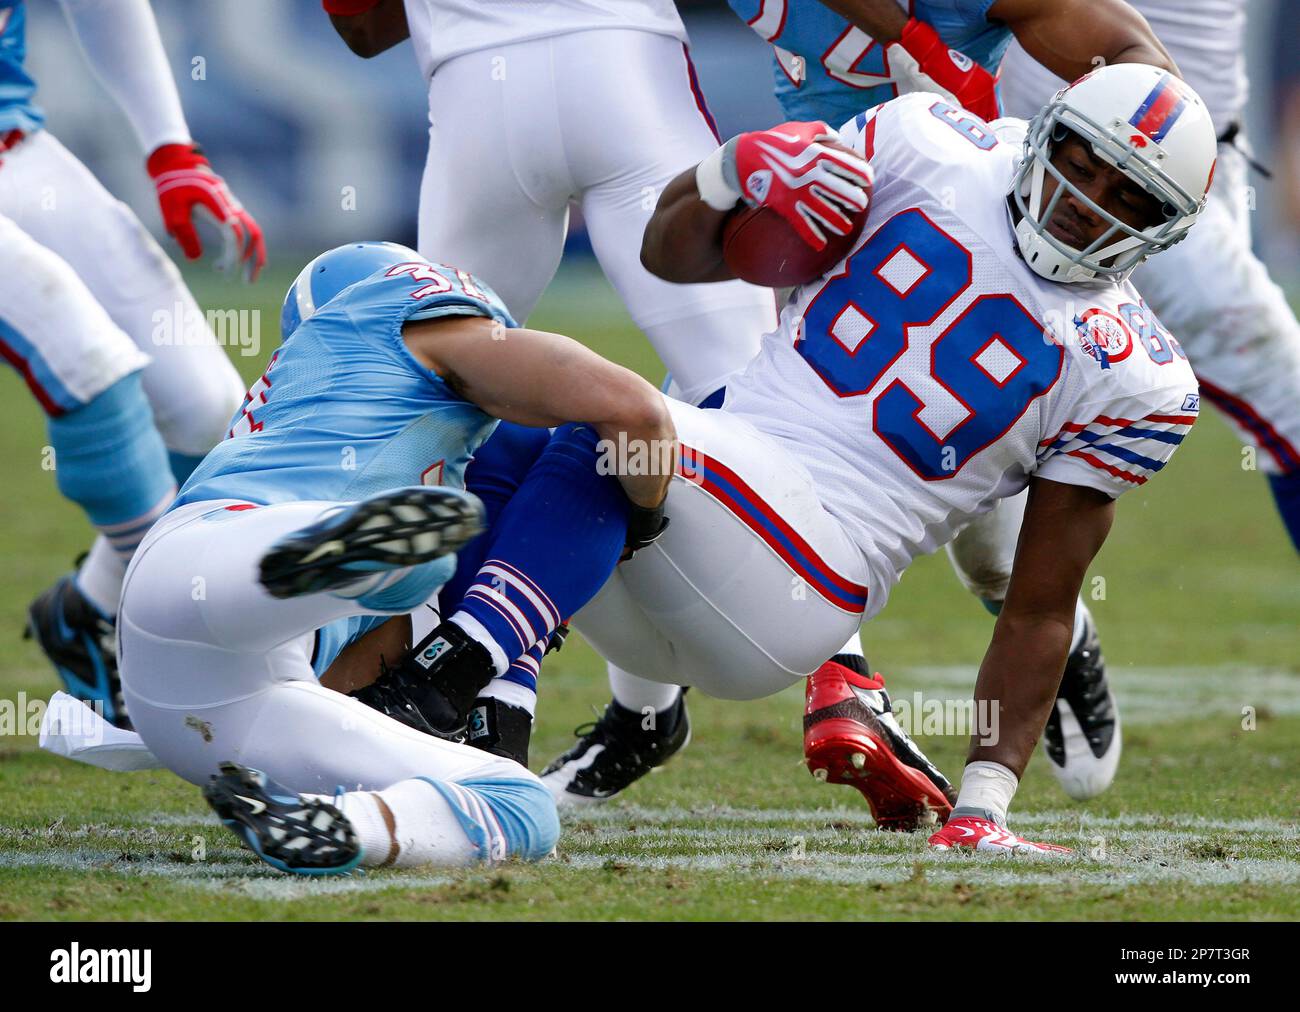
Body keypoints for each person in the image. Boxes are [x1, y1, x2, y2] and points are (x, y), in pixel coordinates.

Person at [421, 63, 1216, 852]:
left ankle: (441, 679)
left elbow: (1041, 608)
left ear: (1165, 227)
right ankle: (492, 736)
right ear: (1050, 135)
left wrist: (986, 803)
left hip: (807, 580)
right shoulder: (921, 142)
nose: (1087, 203)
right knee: (498, 430)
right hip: (688, 546)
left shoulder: (1137, 376)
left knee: (617, 419)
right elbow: (671, 260)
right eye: (1082, 167)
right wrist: (729, 172)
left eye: (1128, 198)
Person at [322, 0, 780, 803]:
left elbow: (360, 30)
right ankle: (843, 684)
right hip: (625, 69)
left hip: (477, 91)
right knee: (732, 398)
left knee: (449, 408)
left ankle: (486, 703)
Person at [116, 241, 675, 873]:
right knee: (416, 557)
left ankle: (351, 828)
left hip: (204, 684)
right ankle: (354, 554)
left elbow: (360, 696)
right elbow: (635, 412)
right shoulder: (400, 316)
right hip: (227, 587)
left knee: (520, 805)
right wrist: (645, 515)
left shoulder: (334, 411)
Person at [1, 0, 264, 728]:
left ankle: (91, 610)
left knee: (209, 407)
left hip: (16, 147)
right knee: (88, 362)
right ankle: (170, 652)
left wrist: (171, 150)